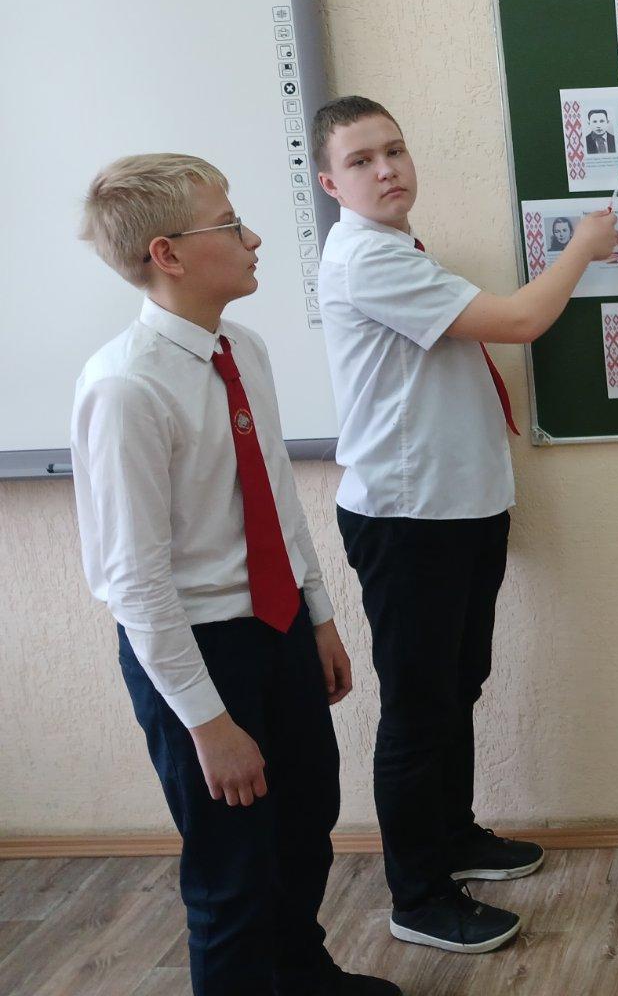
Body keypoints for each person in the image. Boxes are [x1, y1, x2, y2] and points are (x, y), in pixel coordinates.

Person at [71, 153, 399, 996]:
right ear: (168, 254)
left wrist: (318, 615)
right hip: (199, 651)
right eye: (230, 225)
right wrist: (207, 724)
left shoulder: (240, 349)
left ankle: (300, 974)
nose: (253, 239)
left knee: (305, 827)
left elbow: (276, 496)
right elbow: (135, 584)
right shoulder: (125, 388)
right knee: (232, 869)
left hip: (278, 627)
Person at [314, 97, 618, 954]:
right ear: (331, 183)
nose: (387, 169)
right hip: (409, 519)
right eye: (362, 160)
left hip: (458, 509)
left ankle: (452, 836)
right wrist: (582, 250)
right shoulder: (368, 260)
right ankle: (418, 897)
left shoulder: (397, 248)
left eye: (395, 150)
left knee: (458, 687)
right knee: (419, 709)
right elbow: (519, 321)